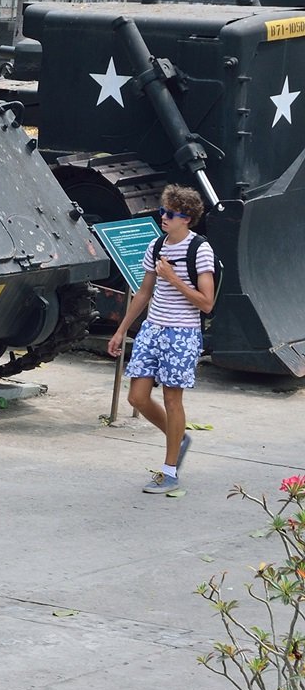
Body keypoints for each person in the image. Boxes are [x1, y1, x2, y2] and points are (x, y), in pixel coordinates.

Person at [107, 185, 217, 495]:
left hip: (182, 333)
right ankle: (177, 436)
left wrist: (173, 279)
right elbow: (144, 292)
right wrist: (121, 330)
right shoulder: (156, 246)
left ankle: (169, 472)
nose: (164, 217)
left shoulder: (200, 249)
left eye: (170, 214)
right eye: (162, 211)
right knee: (137, 398)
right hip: (152, 329)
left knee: (172, 399)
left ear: (187, 219)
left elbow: (206, 303)